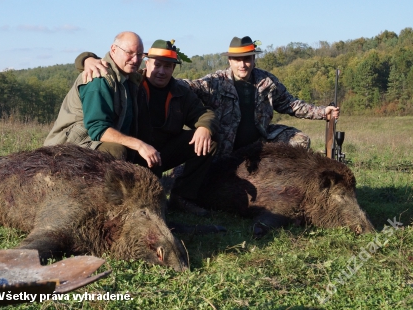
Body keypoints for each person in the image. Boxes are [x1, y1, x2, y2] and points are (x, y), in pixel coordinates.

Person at [79, 36, 340, 160]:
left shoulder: (267, 82)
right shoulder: (214, 81)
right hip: (225, 142)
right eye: (237, 59)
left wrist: (324, 112)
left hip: (260, 138)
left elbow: (291, 105)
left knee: (300, 141)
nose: (243, 65)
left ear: (253, 59)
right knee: (212, 155)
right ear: (230, 60)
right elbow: (179, 84)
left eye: (247, 59)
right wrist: (86, 58)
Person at [75, 39, 219, 215]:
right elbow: (112, 64)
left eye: (167, 66)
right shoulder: (133, 82)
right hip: (133, 153)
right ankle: (105, 205)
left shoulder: (180, 92)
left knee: (209, 142)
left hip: (161, 153)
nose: (161, 71)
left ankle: (182, 197)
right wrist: (86, 58)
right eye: (157, 65)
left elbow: (204, 114)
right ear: (146, 62)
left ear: (173, 69)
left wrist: (204, 127)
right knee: (113, 151)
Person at [44, 31, 160, 168]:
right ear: (113, 49)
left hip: (94, 143)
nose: (135, 60)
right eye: (129, 53)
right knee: (115, 150)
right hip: (69, 147)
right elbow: (98, 129)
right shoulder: (98, 78)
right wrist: (139, 145)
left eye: (139, 55)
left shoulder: (131, 80)